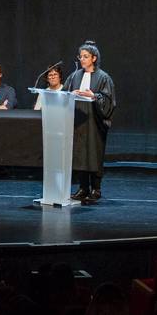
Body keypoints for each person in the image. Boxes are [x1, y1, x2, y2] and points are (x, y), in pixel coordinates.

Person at [64, 42, 116, 203]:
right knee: (79, 155)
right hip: (78, 121)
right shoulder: (74, 76)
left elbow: (108, 100)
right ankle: (83, 188)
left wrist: (94, 96)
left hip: (94, 122)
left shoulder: (103, 77)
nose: (82, 59)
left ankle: (96, 188)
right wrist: (70, 93)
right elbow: (64, 92)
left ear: (94, 58)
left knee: (94, 154)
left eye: (86, 56)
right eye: (81, 56)